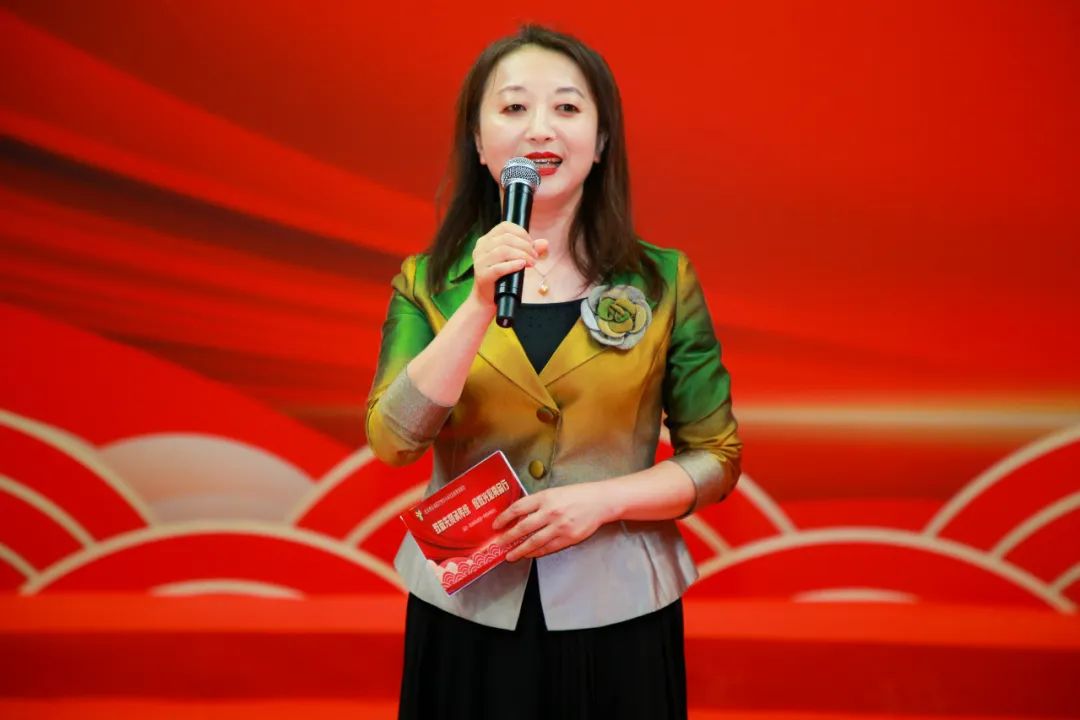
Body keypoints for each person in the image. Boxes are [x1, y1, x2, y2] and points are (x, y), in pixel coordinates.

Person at [365, 24, 741, 720]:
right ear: (480, 144)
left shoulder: (664, 281)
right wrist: (478, 304)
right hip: (467, 611)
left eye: (567, 107)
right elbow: (393, 441)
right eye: (513, 107)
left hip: (617, 609)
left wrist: (603, 502)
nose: (541, 127)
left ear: (600, 142)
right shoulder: (427, 283)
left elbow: (716, 457)